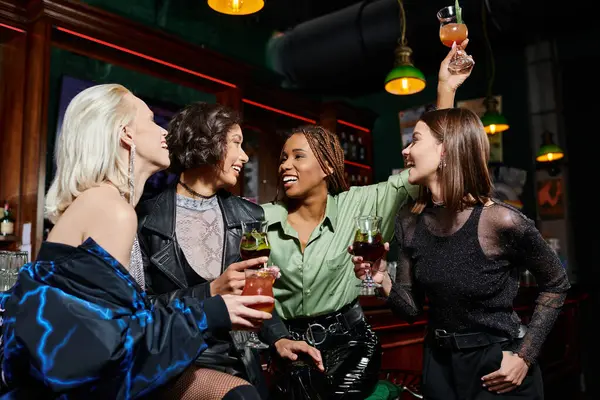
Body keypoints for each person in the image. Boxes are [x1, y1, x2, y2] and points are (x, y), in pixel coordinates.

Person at [0, 84, 274, 399]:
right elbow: (110, 350)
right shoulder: (113, 210)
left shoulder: (105, 202)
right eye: (151, 121)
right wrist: (212, 311)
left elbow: (119, 321)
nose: (164, 134)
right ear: (127, 134)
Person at [262, 43, 472, 399]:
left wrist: (446, 89)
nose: (285, 165)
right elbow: (254, 293)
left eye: (298, 156)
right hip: (290, 354)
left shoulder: (360, 204)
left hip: (351, 346)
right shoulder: (264, 218)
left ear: (328, 166)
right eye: (283, 158)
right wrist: (276, 338)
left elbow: (430, 159)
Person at [352, 107, 571, 399]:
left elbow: (556, 284)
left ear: (445, 151)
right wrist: (383, 280)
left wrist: (525, 355)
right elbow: (411, 309)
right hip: (439, 366)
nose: (406, 151)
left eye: (415, 140)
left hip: (498, 367)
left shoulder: (501, 221)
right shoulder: (410, 221)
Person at [136, 102, 323, 400]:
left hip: (241, 357)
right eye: (236, 143)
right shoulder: (143, 220)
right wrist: (209, 291)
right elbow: (137, 312)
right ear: (205, 142)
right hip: (176, 360)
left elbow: (258, 294)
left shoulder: (249, 216)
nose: (245, 156)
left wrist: (280, 338)